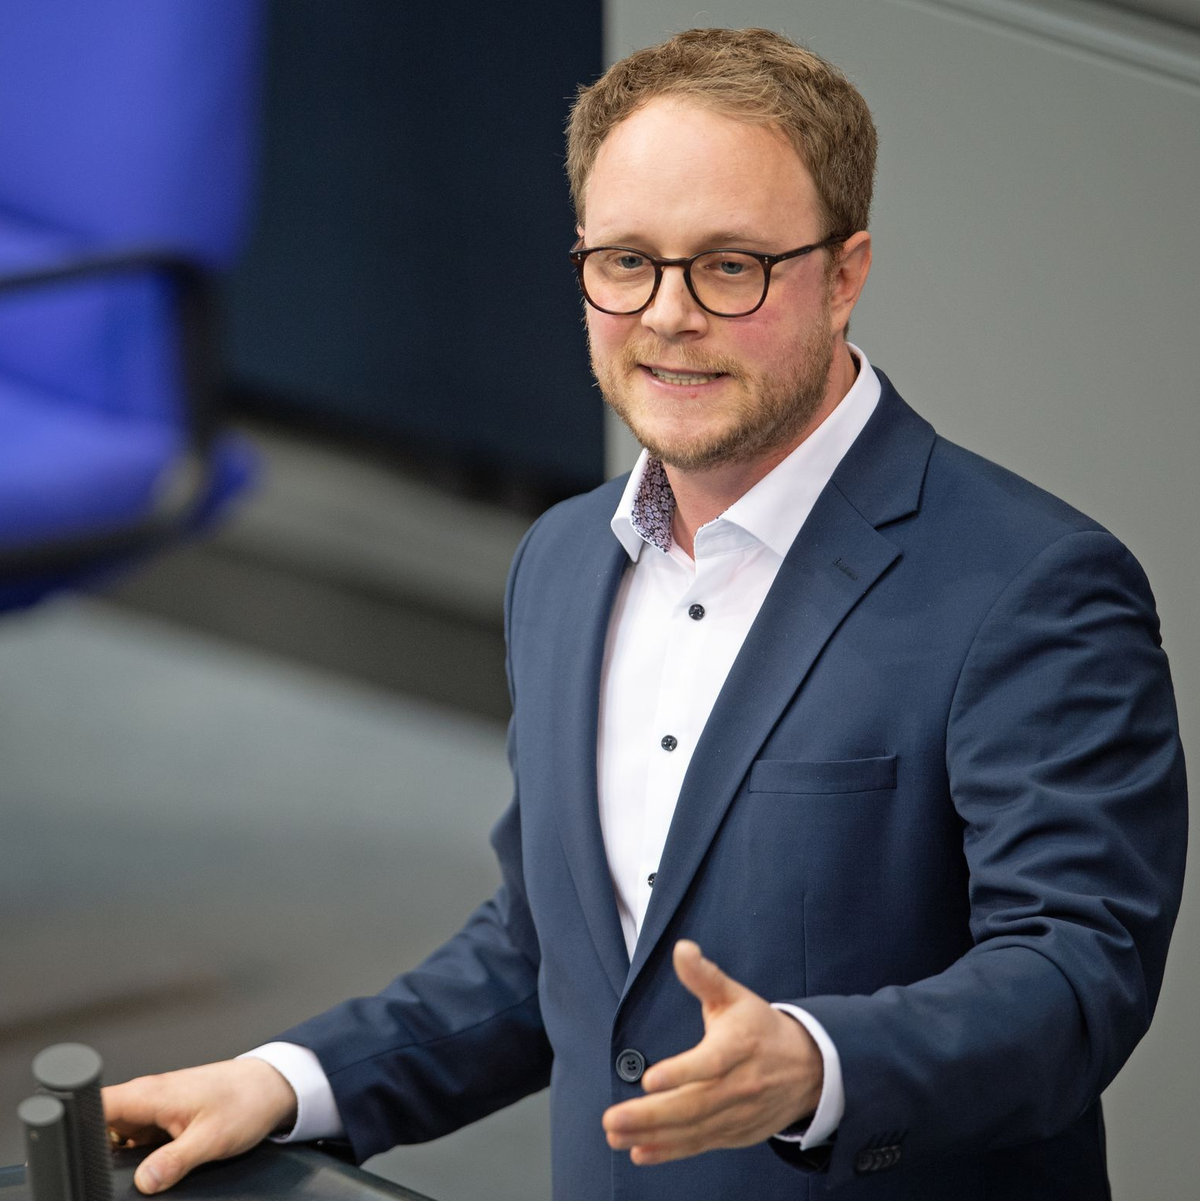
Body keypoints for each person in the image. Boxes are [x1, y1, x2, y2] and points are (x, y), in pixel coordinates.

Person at [103, 27, 1187, 1200]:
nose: (667, 314)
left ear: (846, 272)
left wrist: (818, 1064)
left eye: (731, 266)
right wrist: (295, 1078)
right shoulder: (564, 561)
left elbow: (1078, 977)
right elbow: (550, 955)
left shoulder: (1033, 586)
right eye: (625, 261)